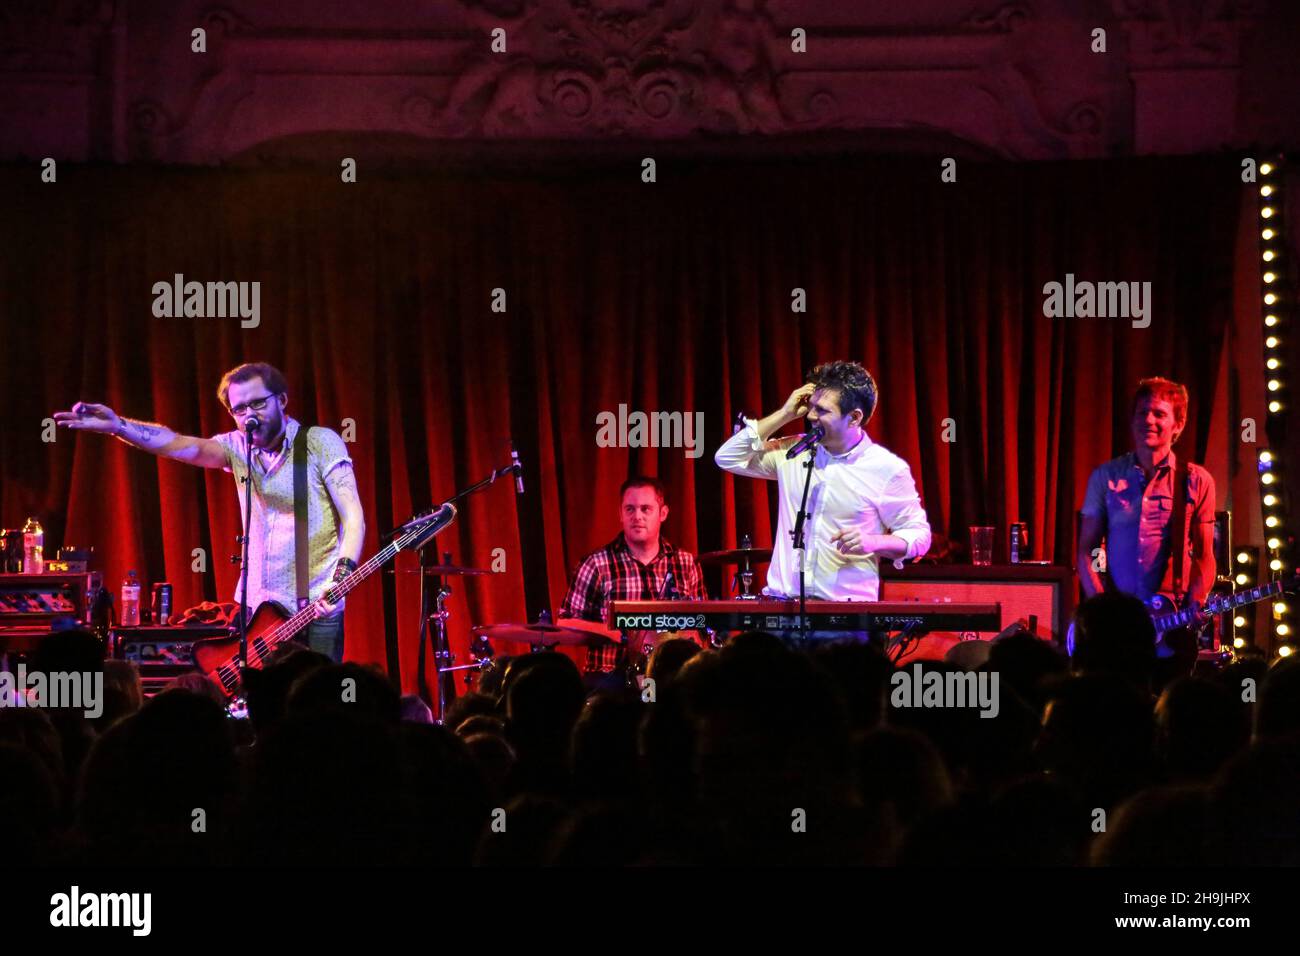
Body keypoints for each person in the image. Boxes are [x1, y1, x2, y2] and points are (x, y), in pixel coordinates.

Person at [53, 362, 365, 661]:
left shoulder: (320, 443)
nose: (248, 416)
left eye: (257, 404)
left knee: (318, 702)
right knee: (260, 705)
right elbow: (177, 444)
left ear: (282, 400)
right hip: (256, 613)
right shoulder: (237, 448)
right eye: (239, 410)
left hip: (314, 607)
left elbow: (353, 518)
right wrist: (118, 426)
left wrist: (338, 580)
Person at [713, 360, 931, 616]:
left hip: (846, 615)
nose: (811, 416)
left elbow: (919, 535)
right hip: (783, 608)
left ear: (854, 418)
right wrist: (784, 414)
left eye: (823, 410)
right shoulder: (794, 452)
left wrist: (873, 542)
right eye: (811, 406)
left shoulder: (885, 468)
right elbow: (727, 457)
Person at [1076, 377, 1216, 657]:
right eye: (1142, 413)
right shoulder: (1105, 477)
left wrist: (1197, 600)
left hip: (1172, 620)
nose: (1148, 420)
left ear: (1178, 424)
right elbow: (1087, 550)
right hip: (1120, 621)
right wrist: (1102, 608)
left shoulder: (1197, 480)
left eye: (1159, 414)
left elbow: (1203, 554)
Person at [559, 476, 706, 688]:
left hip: (671, 676)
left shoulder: (685, 562)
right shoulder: (596, 564)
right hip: (611, 676)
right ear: (620, 513)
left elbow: (703, 622)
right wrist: (612, 632)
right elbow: (565, 622)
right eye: (630, 509)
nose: (637, 516)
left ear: (663, 513)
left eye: (645, 509)